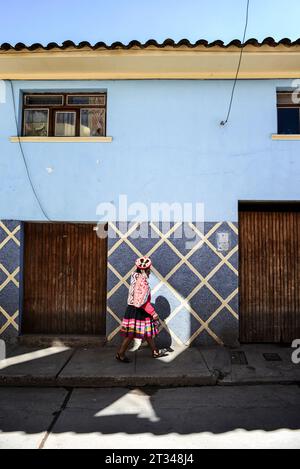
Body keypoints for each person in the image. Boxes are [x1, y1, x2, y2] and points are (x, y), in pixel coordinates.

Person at [116, 257, 166, 362]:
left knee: (146, 333)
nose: (150, 271)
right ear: (145, 270)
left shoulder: (135, 277)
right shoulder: (142, 282)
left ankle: (155, 352)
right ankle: (120, 353)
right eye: (149, 269)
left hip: (133, 309)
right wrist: (153, 313)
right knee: (131, 334)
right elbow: (142, 302)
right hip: (139, 310)